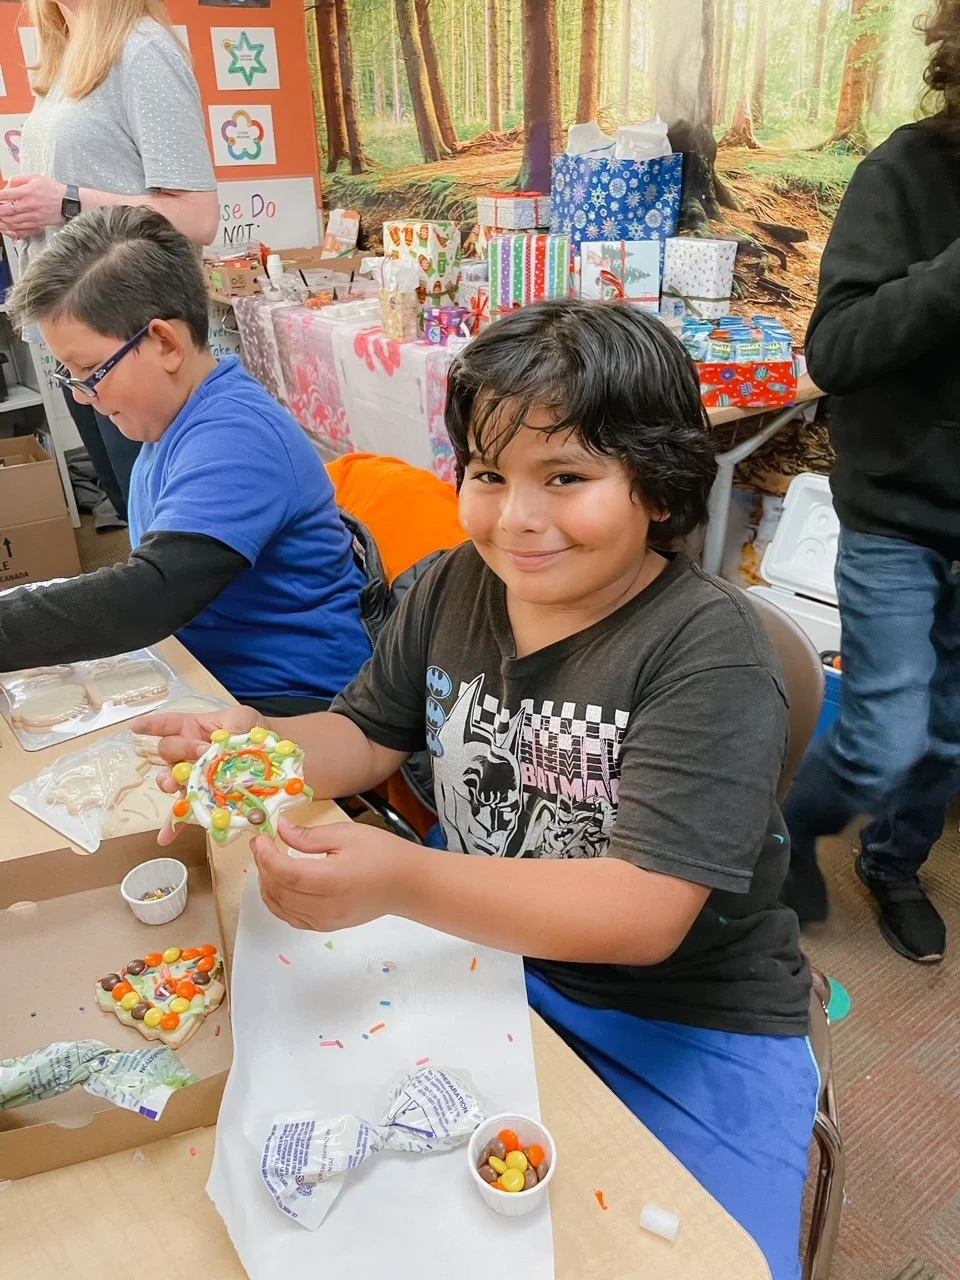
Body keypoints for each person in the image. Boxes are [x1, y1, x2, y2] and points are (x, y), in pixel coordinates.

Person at [139, 300, 818, 1280]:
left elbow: (643, 911)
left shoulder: (705, 652)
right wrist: (260, 748)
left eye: (569, 477)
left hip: (687, 1017)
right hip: (490, 961)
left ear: (659, 490)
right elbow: (368, 733)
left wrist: (400, 876)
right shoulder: (456, 584)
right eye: (489, 474)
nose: (518, 516)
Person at [1, 206, 372, 716]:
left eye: (90, 371)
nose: (84, 396)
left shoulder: (236, 435)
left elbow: (152, 594)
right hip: (207, 670)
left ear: (165, 343)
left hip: (293, 699)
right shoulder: (170, 421)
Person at [781, 1, 960, 964]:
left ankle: (892, 864)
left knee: (949, 734)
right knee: (887, 729)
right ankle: (775, 839)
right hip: (895, 513)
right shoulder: (904, 171)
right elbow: (835, 349)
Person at [0, 0, 219, 523]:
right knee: (130, 502)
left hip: (129, 331)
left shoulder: (142, 50)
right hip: (76, 333)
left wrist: (67, 201)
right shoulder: (67, 58)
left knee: (165, 515)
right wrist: (32, 212)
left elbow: (198, 215)